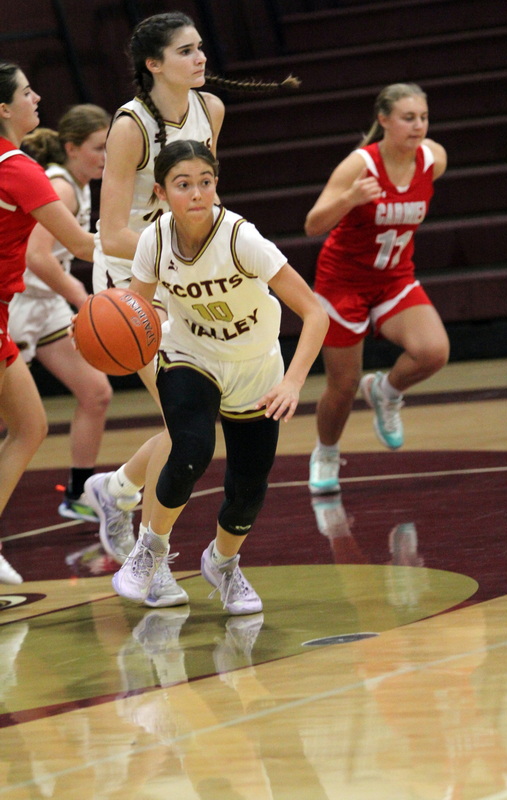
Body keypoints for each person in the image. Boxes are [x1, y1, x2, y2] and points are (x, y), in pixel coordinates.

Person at [84, 11, 300, 573]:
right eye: (186, 51)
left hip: (185, 268)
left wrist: (216, 251)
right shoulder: (131, 127)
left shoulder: (211, 109)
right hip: (133, 274)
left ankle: (118, 489)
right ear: (153, 64)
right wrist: (175, 253)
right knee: (185, 430)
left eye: (200, 47)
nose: (201, 57)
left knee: (188, 426)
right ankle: (149, 560)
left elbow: (202, 197)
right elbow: (112, 232)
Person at [110, 139, 328, 613]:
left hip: (255, 365)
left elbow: (315, 313)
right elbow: (138, 312)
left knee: (249, 487)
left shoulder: (242, 240)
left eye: (205, 182)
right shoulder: (154, 240)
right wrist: (98, 326)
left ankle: (223, 563)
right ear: (161, 193)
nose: (196, 193)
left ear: (216, 184)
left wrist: (293, 382)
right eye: (183, 184)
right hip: (191, 355)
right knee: (190, 448)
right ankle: (150, 547)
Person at [305, 82, 449, 495]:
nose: (418, 126)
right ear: (383, 119)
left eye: (423, 117)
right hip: (343, 282)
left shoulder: (433, 159)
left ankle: (386, 392)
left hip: (393, 278)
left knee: (434, 352)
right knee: (342, 387)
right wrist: (349, 198)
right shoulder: (359, 165)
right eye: (408, 118)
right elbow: (313, 224)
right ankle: (326, 453)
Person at [0, 61, 95, 583]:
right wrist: (161, 245)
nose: (36, 97)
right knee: (26, 427)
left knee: (31, 426)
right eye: (27, 92)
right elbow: (81, 246)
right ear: (4, 108)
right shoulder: (19, 168)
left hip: (5, 313)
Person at [9, 105, 113, 523]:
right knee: (18, 420)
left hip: (46, 303)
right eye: (98, 147)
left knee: (96, 392)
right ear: (71, 148)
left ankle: (78, 493)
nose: (106, 156)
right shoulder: (60, 186)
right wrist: (82, 298)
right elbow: (35, 257)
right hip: (18, 302)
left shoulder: (80, 186)